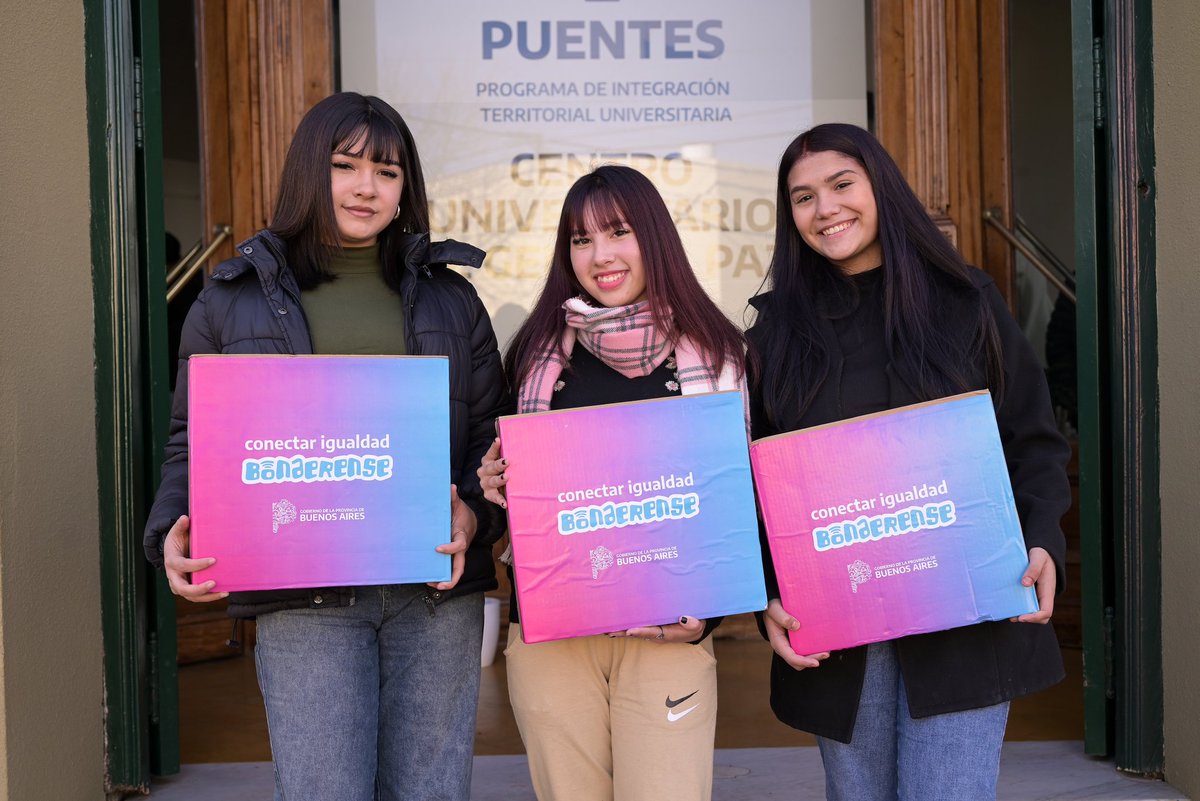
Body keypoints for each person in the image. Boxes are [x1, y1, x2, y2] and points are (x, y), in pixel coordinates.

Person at [142, 92, 508, 801]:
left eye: (387, 170)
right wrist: (169, 536)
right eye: (345, 165)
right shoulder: (230, 298)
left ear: (407, 187)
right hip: (302, 594)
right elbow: (193, 441)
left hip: (434, 594)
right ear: (311, 171)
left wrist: (474, 517)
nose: (367, 186)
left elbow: (489, 438)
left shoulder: (452, 300)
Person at [746, 123, 1071, 801]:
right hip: (837, 632)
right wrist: (767, 597)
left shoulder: (965, 303)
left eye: (841, 184)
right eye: (803, 197)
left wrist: (1043, 540)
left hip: (967, 620)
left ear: (880, 188)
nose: (824, 208)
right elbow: (756, 485)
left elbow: (1033, 440)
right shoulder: (776, 334)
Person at [476, 165, 748, 801]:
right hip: (553, 633)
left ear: (653, 237)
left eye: (618, 232)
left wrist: (705, 613)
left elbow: (737, 500)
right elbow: (524, 496)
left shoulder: (718, 355)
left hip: (668, 633)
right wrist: (496, 481)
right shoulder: (537, 357)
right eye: (580, 239)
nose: (599, 256)